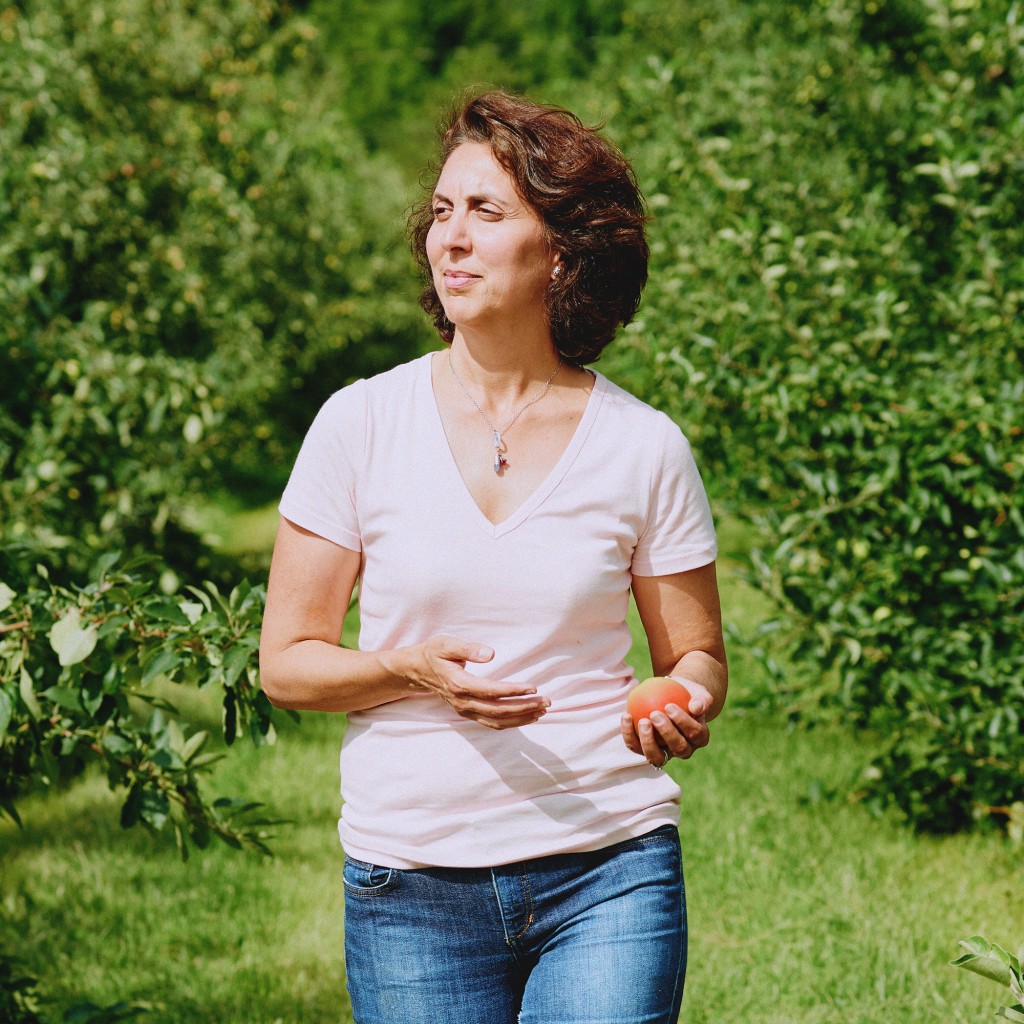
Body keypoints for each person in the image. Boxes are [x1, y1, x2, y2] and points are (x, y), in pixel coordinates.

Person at [259, 89, 727, 1024]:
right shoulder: (360, 424)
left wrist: (685, 702)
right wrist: (409, 670)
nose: (452, 239)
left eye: (486, 211)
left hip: (609, 866)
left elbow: (696, 656)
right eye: (441, 212)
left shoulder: (644, 447)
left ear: (562, 251)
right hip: (411, 883)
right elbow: (287, 664)